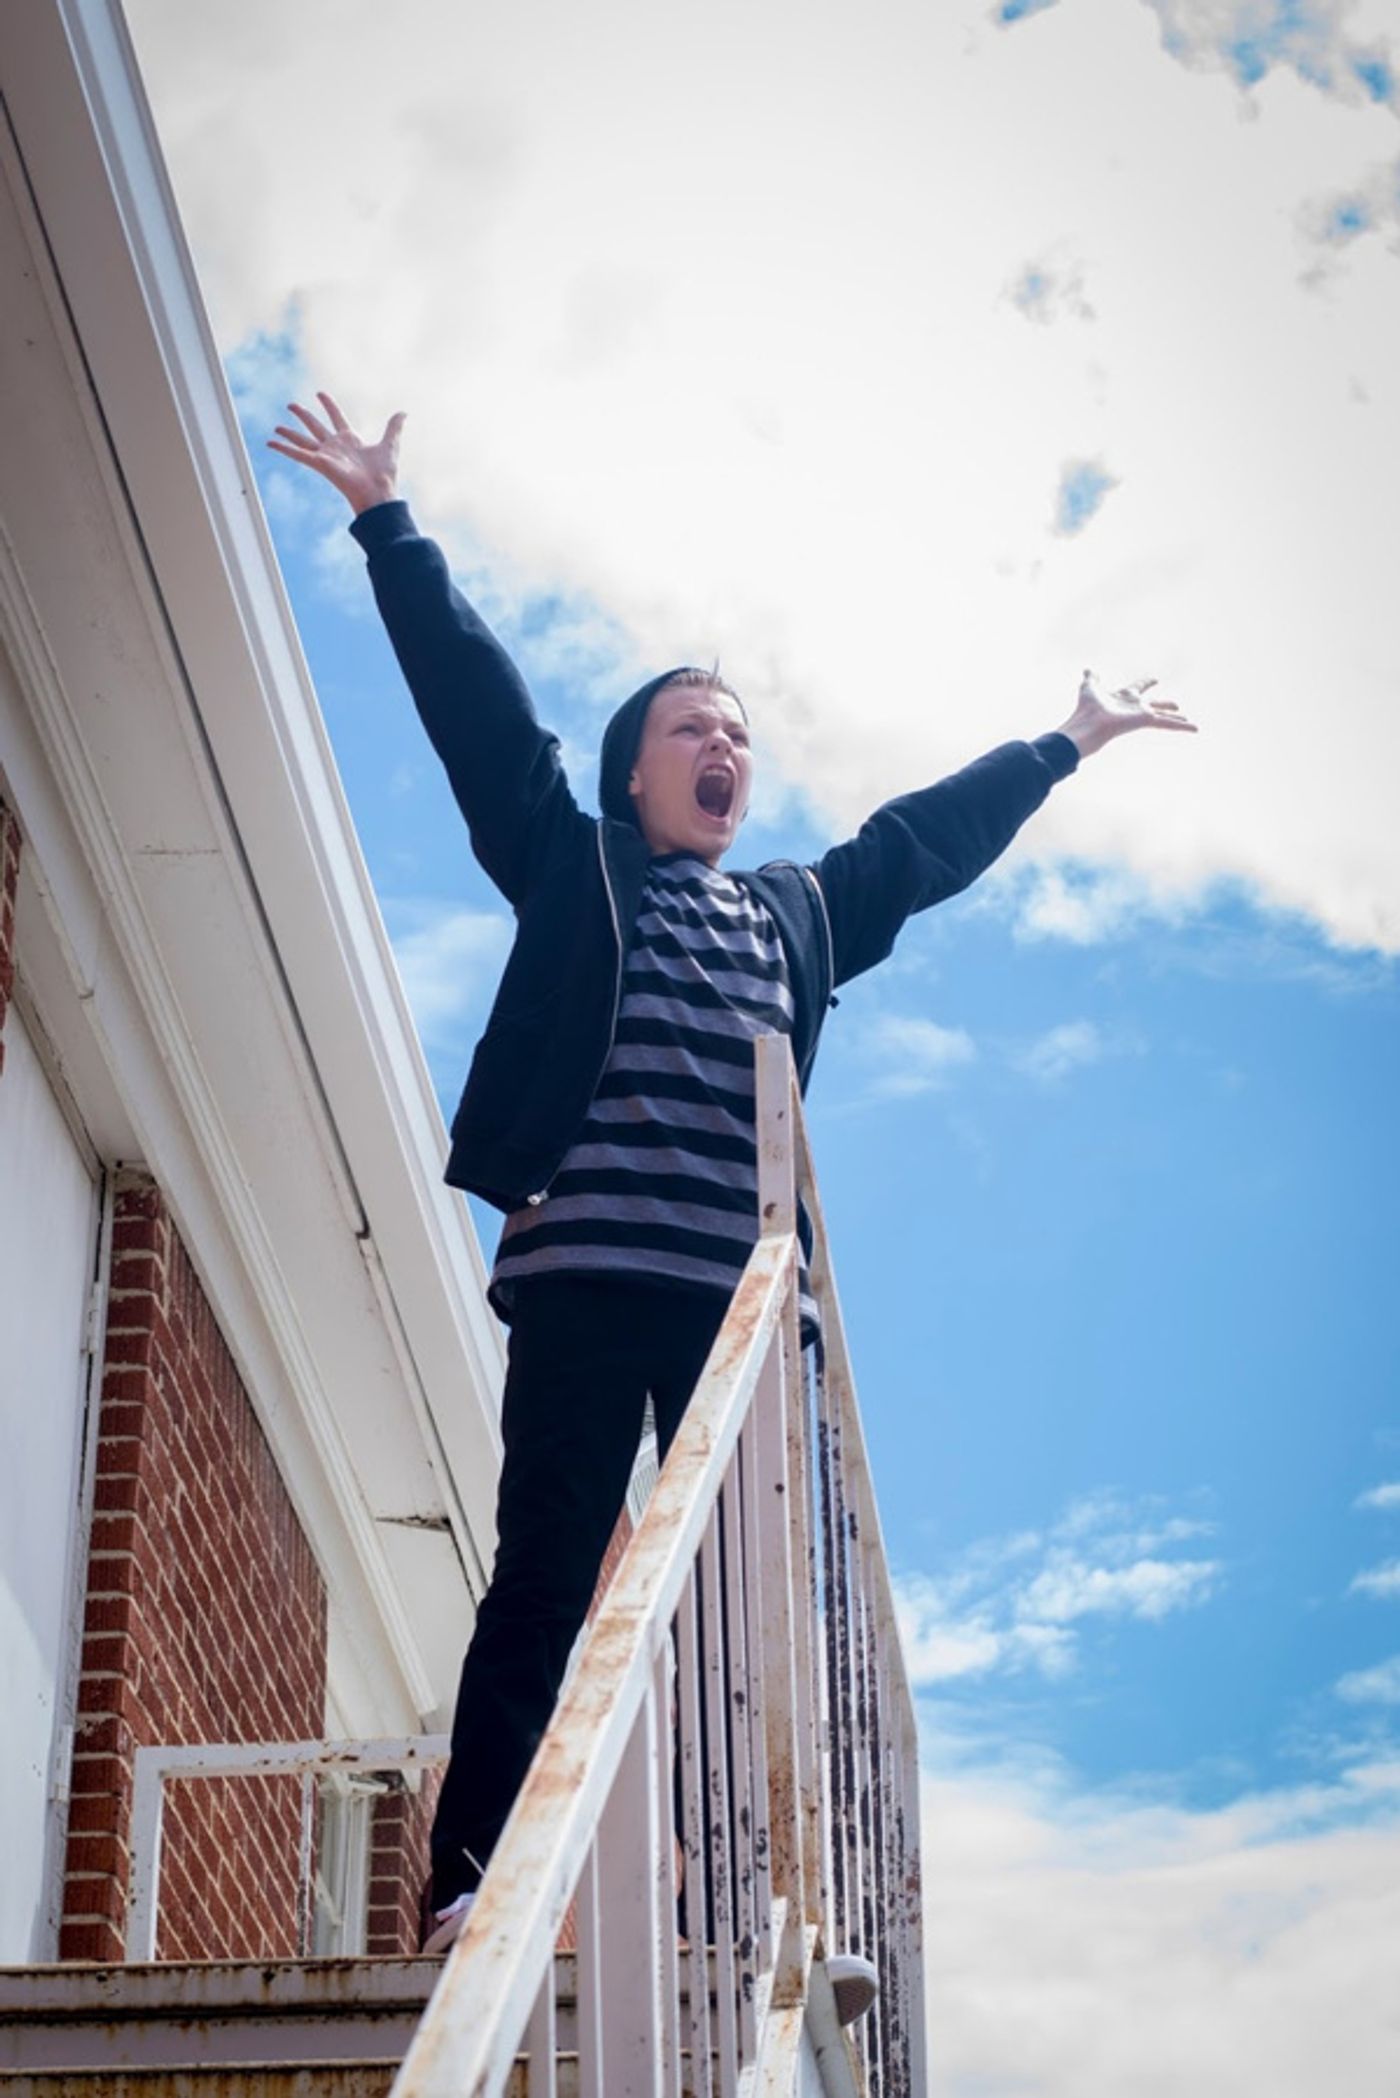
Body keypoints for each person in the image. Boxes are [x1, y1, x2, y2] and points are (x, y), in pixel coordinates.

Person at [269, 393, 1197, 1990]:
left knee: (740, 1619)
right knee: (551, 1572)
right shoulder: (577, 868)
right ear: (636, 770)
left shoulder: (793, 918)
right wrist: (386, 523)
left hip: (731, 1311)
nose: (724, 747)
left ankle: (753, 1919)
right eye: (693, 726)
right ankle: (469, 1883)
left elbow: (919, 843)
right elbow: (483, 720)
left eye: (740, 733)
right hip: (579, 1280)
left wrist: (1066, 742)